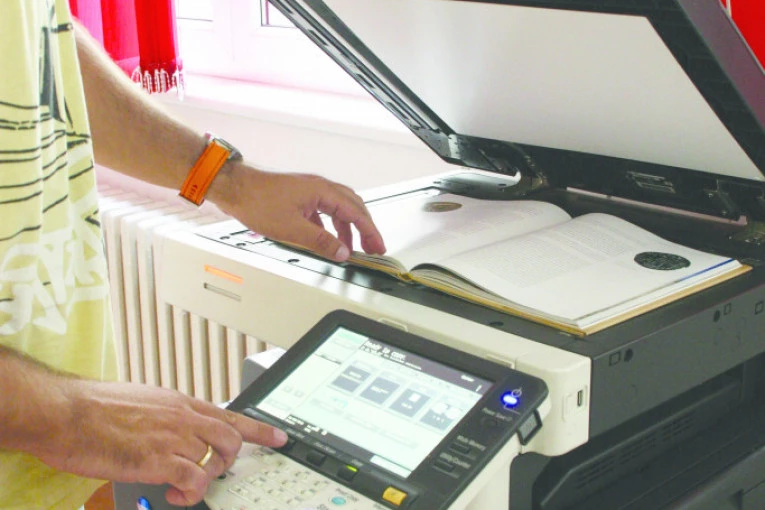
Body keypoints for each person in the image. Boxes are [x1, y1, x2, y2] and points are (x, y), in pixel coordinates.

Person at [0, 1, 386, 508]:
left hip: (50, 460)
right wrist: (70, 415)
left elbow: (40, 47)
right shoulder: (69, 419)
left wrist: (231, 182)